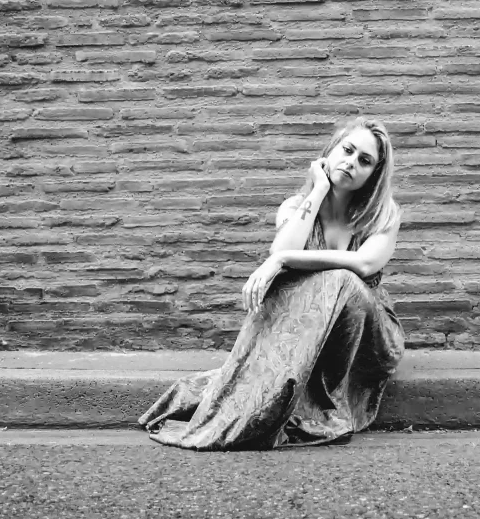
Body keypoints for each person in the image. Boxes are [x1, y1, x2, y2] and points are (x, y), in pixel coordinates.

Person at [138, 117, 405, 450]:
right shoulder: (296, 208)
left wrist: (281, 262)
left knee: (341, 280)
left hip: (368, 338)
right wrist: (319, 189)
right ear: (330, 151)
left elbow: (363, 264)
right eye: (347, 150)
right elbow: (283, 249)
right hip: (311, 334)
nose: (351, 162)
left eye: (364, 161)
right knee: (290, 287)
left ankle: (307, 406)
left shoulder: (382, 215)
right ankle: (246, 400)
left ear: (373, 174)